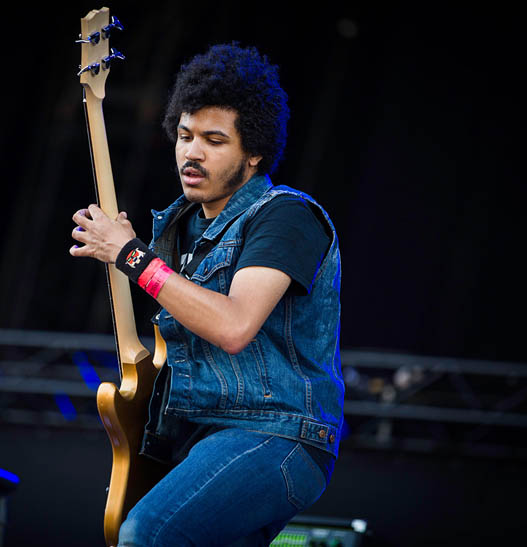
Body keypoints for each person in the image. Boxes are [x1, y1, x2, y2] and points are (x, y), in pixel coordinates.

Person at [70, 43, 344, 546]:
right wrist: (132, 255)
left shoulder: (285, 216)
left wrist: (133, 256)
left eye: (214, 140)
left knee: (148, 535)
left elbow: (233, 326)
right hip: (196, 435)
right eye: (184, 135)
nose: (191, 152)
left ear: (253, 152)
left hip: (276, 434)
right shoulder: (180, 227)